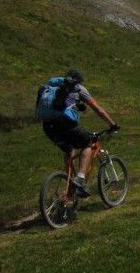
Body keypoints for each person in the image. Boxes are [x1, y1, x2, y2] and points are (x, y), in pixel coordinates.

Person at [40, 69, 120, 197]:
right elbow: (99, 110)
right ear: (79, 80)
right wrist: (113, 124)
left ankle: (70, 184)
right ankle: (80, 178)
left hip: (48, 126)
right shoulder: (79, 89)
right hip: (65, 124)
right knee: (87, 143)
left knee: (69, 149)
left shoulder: (52, 86)